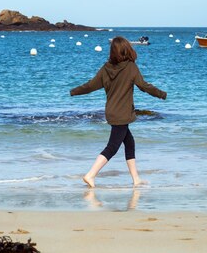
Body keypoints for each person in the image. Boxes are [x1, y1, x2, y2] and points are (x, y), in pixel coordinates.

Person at [70, 36, 167, 188]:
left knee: (129, 143)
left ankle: (136, 179)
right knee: (112, 147)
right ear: (126, 49)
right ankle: (90, 174)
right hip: (122, 115)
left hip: (112, 112)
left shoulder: (106, 68)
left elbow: (90, 86)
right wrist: (161, 94)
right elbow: (144, 86)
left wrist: (74, 91)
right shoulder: (130, 67)